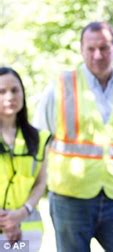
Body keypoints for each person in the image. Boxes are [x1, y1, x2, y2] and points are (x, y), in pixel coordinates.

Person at [33, 21, 113, 252]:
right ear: (81, 49)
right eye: (90, 48)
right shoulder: (60, 86)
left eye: (104, 48)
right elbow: (38, 139)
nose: (97, 55)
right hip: (70, 199)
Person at [0, 67, 50, 251]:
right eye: (2, 91)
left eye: (15, 90)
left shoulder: (39, 138)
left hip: (26, 230)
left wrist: (21, 213)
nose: (9, 96)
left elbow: (41, 181)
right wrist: (6, 221)